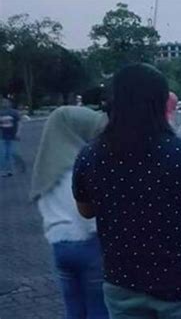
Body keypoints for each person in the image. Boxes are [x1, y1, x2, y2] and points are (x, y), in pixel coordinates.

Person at [72, 64, 181, 319]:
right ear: (161, 103)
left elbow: (85, 210)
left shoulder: (91, 155)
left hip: (122, 280)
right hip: (180, 283)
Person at [30, 106, 109, 319]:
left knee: (73, 308)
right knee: (98, 308)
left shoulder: (46, 167)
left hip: (59, 245)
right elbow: (91, 212)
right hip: (88, 243)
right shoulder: (82, 166)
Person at [0, 98, 24, 177]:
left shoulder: (14, 112)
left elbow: (19, 122)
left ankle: (11, 169)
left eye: (6, 102)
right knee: (3, 153)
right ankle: (4, 170)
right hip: (2, 136)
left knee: (10, 153)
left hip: (12, 136)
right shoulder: (1, 113)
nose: (4, 104)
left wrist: (18, 132)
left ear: (9, 103)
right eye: (3, 102)